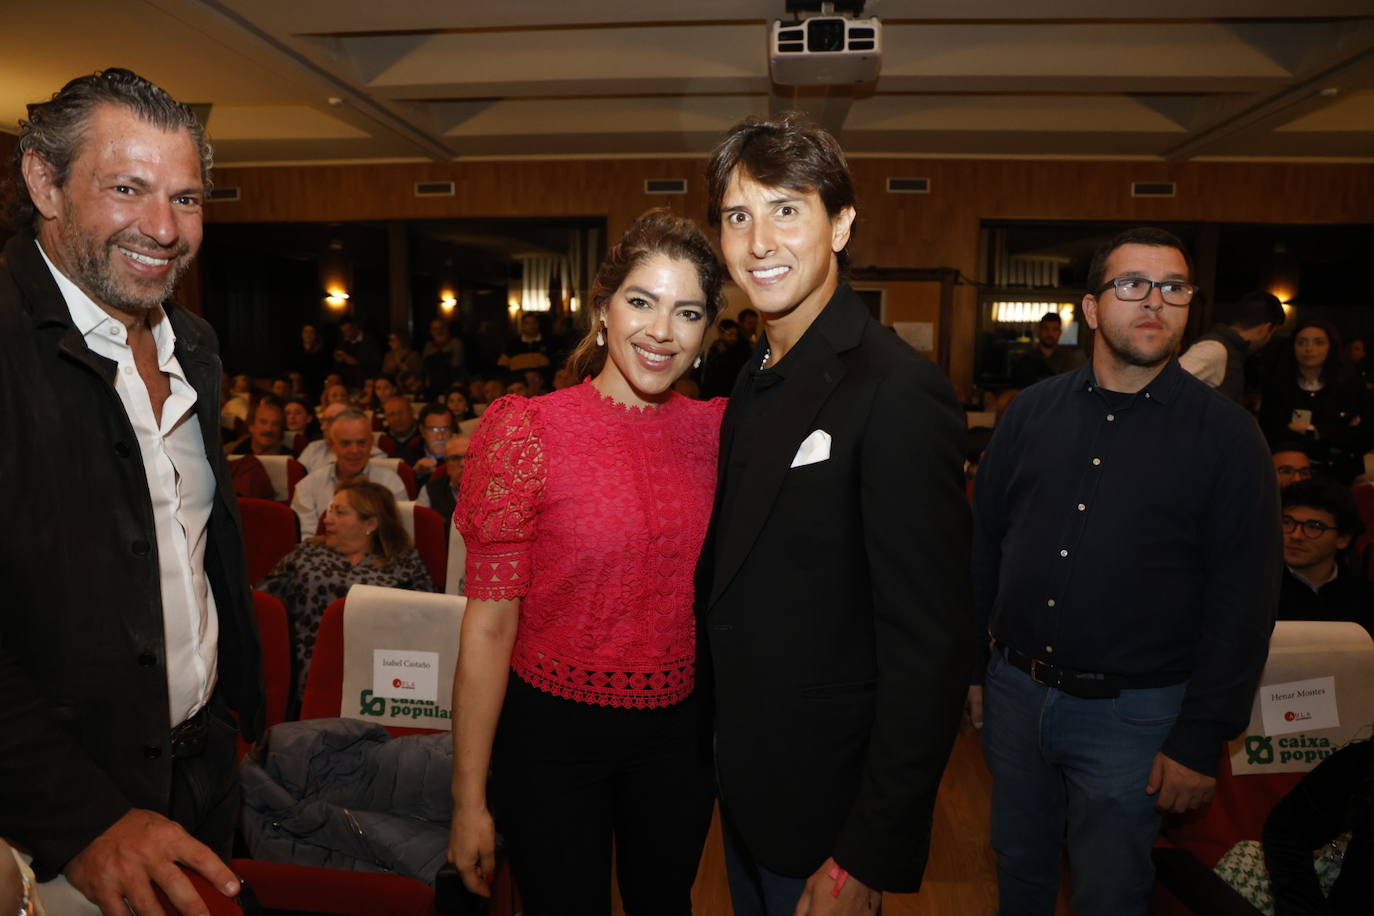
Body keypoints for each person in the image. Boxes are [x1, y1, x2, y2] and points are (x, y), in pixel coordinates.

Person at [0, 67, 261, 914]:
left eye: (187, 198)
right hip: (62, 825)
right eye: (127, 188)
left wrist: (230, 728)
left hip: (204, 776)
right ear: (44, 181)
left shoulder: (194, 341)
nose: (164, 228)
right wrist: (84, 820)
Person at [697, 114, 972, 914]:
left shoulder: (896, 388)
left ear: (842, 223)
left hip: (830, 807)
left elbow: (930, 647)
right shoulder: (756, 370)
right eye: (737, 216)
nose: (758, 242)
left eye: (787, 209)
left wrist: (865, 853)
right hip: (751, 782)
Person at [971, 226, 1282, 916]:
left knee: (1110, 892)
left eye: (1174, 288)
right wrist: (972, 669)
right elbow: (984, 545)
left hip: (1135, 716)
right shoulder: (1029, 417)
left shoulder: (1229, 438)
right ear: (1090, 308)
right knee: (1019, 871)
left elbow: (1244, 600)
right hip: (1016, 695)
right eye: (1132, 284)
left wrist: (1200, 738)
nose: (1155, 302)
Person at [447, 209, 726, 915]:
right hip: (551, 741)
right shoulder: (528, 430)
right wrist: (468, 799)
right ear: (602, 310)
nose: (662, 331)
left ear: (707, 332)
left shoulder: (724, 431)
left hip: (679, 740)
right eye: (641, 301)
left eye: (687, 312)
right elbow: (488, 626)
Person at [260, 478, 433, 713]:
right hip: (305, 669)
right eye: (329, 510)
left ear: (370, 523)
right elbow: (263, 606)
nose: (327, 519)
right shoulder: (306, 553)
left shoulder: (403, 562)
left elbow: (427, 622)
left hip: (380, 673)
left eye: (339, 512)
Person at [1259, 318, 1366, 483]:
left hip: (1336, 474)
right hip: (1287, 474)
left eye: (1318, 342)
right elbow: (1269, 429)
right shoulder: (1278, 385)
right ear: (1292, 347)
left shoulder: (1349, 386)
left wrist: (1317, 432)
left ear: (1331, 347)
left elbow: (1361, 434)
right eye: (1301, 342)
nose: (1309, 349)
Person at [1277, 477, 1372, 636]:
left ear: (1342, 539)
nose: (1296, 535)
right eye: (1287, 522)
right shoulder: (1258, 588)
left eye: (1314, 527)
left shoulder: (1364, 598)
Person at [292, 409, 407, 537]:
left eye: (362, 442)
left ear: (371, 444)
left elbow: (398, 536)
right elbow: (308, 540)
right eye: (346, 443)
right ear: (332, 445)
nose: (354, 450)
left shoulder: (391, 483)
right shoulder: (307, 487)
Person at [1179, 290, 1285, 403]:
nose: (1268, 340)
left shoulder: (1233, 350)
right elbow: (1165, 386)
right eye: (1273, 333)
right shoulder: (1214, 348)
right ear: (1265, 329)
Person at [1009, 311, 1086, 389]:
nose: (1050, 334)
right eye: (1046, 328)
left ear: (1060, 332)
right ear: (1039, 331)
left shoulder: (1069, 359)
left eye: (1054, 329)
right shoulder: (1026, 359)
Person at [417, 433, 471, 537]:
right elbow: (422, 537)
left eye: (470, 456)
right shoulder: (429, 491)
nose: (463, 463)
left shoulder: (495, 491)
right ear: (446, 464)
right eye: (455, 458)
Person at [700, 316, 751, 399]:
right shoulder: (712, 349)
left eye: (735, 335)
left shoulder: (739, 353)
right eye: (730, 334)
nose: (733, 338)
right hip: (709, 396)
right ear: (720, 333)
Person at [410, 404, 454, 486]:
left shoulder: (464, 457)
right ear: (422, 430)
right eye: (433, 429)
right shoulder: (409, 455)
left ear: (452, 430)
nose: (440, 436)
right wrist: (413, 475)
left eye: (445, 429)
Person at [332, 318, 381, 388]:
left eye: (348, 331)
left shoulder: (369, 341)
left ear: (355, 327)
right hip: (347, 382)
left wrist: (356, 361)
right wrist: (338, 359)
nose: (346, 334)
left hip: (365, 381)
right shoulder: (343, 342)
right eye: (344, 331)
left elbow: (376, 362)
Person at [378, 394, 424, 463]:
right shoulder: (381, 439)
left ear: (411, 412)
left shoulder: (424, 436)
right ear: (386, 418)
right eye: (392, 414)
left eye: (401, 413)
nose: (397, 418)